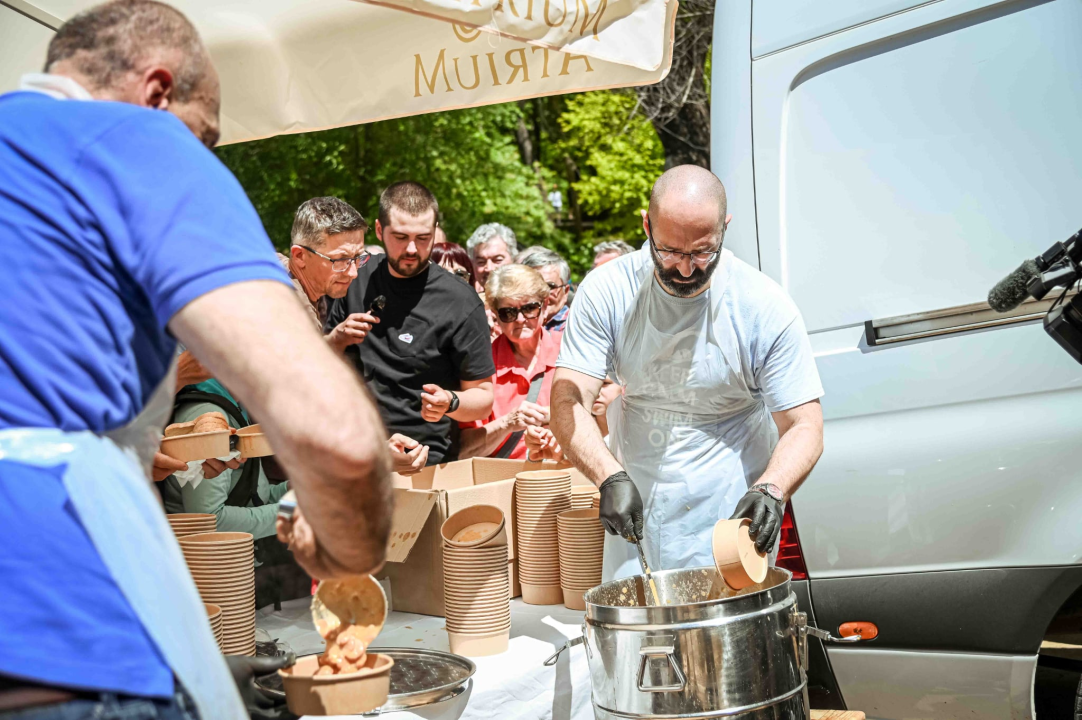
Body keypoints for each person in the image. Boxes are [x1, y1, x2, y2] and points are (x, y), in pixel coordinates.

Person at [0, 2, 392, 718]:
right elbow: (334, 430)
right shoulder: (132, 139)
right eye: (205, 136)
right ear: (156, 92)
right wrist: (345, 553)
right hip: (57, 616)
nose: (203, 156)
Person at [550, 165, 824, 582]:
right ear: (646, 225)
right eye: (670, 252)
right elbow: (568, 400)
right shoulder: (608, 290)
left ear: (724, 229)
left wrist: (771, 488)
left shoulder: (763, 305)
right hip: (636, 493)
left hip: (732, 509)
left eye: (702, 252)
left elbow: (805, 424)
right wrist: (607, 476)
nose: (685, 269)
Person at [326, 182, 495, 465]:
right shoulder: (353, 279)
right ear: (379, 230)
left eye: (423, 237)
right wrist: (336, 339)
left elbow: (483, 397)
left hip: (422, 460)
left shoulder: (461, 300)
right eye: (401, 237)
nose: (412, 249)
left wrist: (450, 402)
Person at [459, 265, 561, 460]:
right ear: (496, 316)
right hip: (501, 482)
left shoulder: (569, 354)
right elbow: (464, 451)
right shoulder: (480, 366)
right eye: (509, 313)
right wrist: (507, 423)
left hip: (561, 478)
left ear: (545, 305)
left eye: (530, 308)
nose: (521, 319)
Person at [282, 196, 370, 331]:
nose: (353, 273)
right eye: (340, 260)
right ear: (300, 256)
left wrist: (336, 340)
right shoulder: (296, 314)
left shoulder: (271, 265)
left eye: (358, 257)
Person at [516, 246, 573, 332]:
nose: (541, 294)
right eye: (533, 286)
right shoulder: (512, 323)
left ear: (566, 292)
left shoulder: (575, 327)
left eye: (550, 287)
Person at [467, 222, 518, 288]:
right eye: (481, 262)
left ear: (514, 259)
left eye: (497, 260)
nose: (489, 268)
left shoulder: (530, 296)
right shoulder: (467, 297)